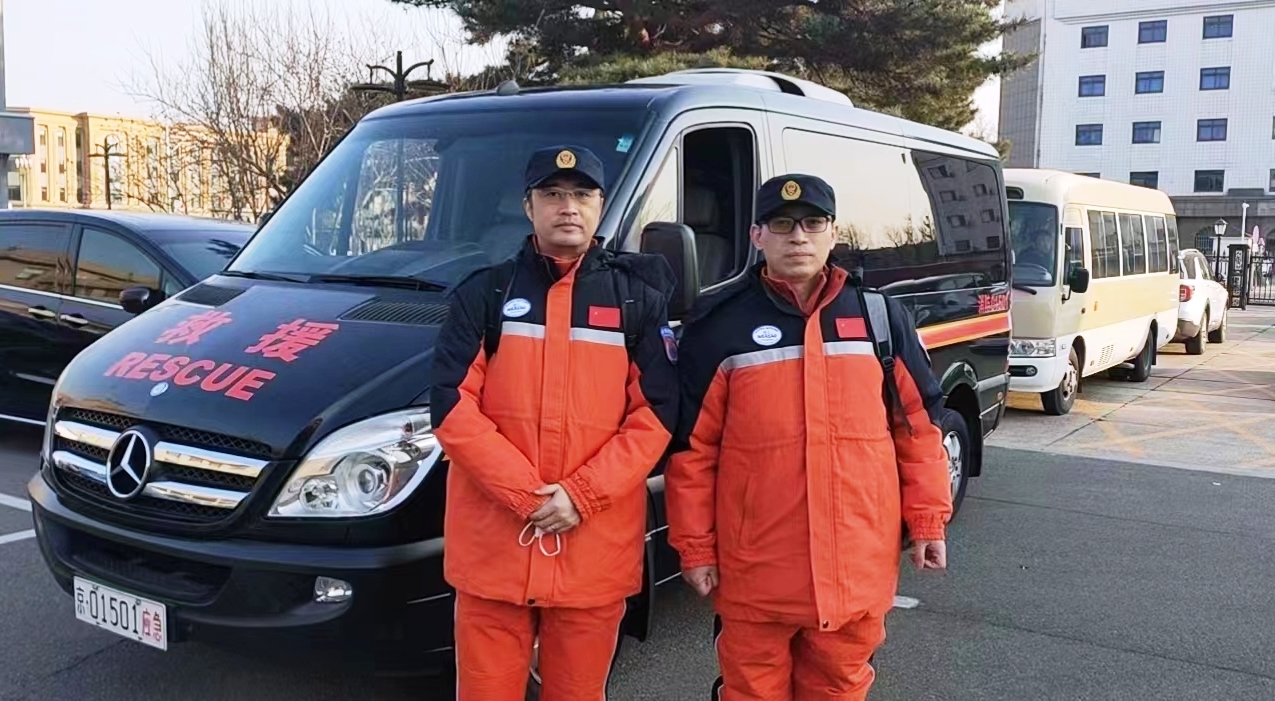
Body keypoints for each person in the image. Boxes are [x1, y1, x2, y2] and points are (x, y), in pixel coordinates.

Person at [665, 173, 954, 701]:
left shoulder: (878, 317)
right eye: (781, 224)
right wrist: (695, 547)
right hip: (756, 570)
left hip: (856, 565)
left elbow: (917, 428)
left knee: (839, 690)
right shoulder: (719, 325)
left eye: (812, 223)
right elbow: (692, 452)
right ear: (757, 236)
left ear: (833, 233)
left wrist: (928, 520)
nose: (798, 236)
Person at [429, 145, 679, 700]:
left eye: (582, 194)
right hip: (495, 553)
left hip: (592, 554)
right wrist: (529, 497)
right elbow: (451, 407)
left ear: (600, 205)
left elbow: (657, 415)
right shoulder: (484, 294)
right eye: (553, 194)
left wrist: (581, 496)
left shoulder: (636, 299)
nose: (568, 206)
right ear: (529, 206)